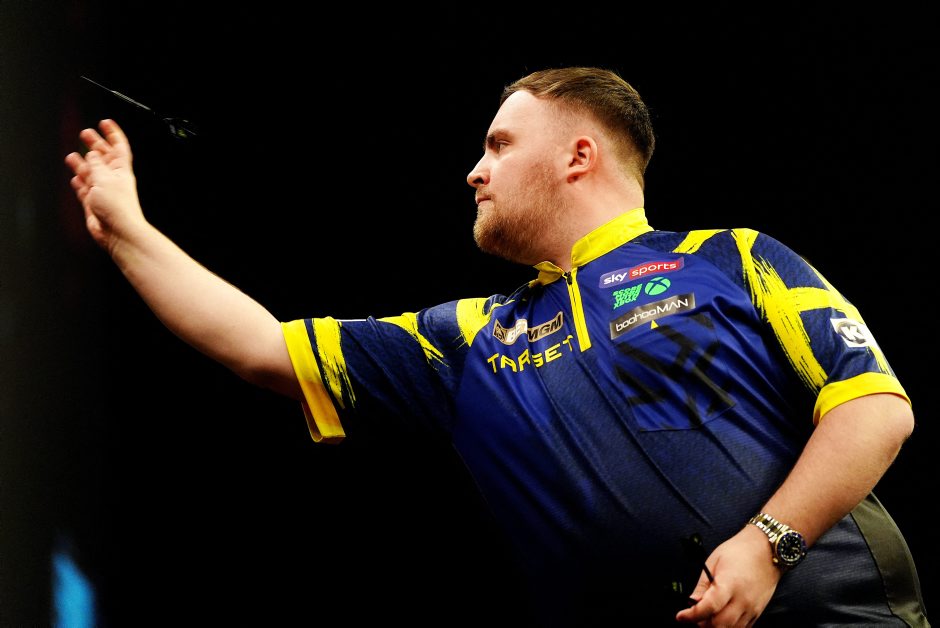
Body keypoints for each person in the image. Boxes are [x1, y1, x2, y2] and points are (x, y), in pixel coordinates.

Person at [65, 66, 929, 627]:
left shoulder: (732, 258)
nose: (474, 171)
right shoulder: (472, 337)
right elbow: (264, 348)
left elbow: (875, 410)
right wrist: (127, 230)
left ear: (578, 156)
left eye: (499, 145)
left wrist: (769, 544)